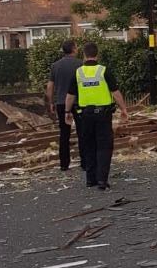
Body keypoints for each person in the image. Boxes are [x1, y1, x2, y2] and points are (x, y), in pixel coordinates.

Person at [64, 42, 128, 190]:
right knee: (104, 146)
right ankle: (102, 180)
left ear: (84, 55)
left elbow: (70, 95)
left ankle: (90, 179)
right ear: (97, 54)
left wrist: (67, 112)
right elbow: (115, 92)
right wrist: (123, 109)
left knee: (88, 145)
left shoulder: (78, 73)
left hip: (85, 115)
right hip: (103, 115)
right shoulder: (104, 71)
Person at [45, 40, 83, 171]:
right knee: (82, 132)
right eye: (76, 47)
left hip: (61, 103)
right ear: (73, 49)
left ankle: (64, 164)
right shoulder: (80, 64)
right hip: (79, 103)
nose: (77, 49)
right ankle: (85, 162)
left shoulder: (55, 66)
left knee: (64, 133)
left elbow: (50, 86)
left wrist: (51, 102)